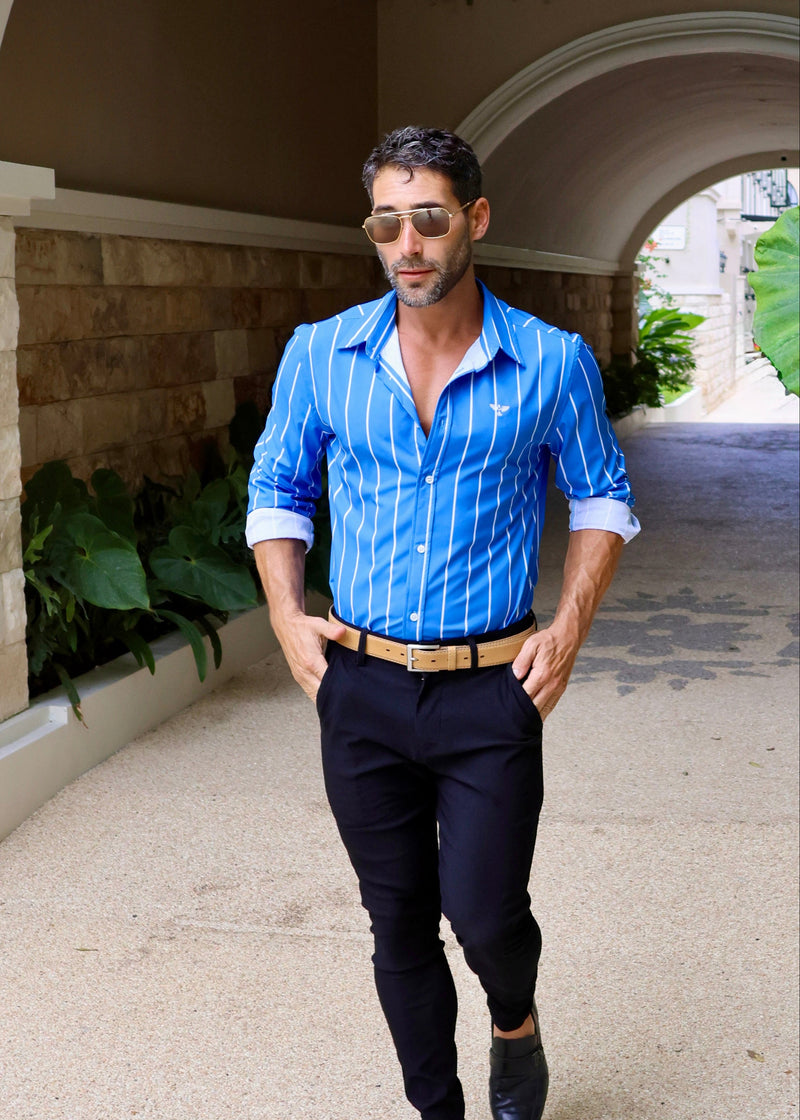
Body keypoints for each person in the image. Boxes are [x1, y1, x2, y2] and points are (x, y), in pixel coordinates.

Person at [246, 126, 640, 1120]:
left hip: (487, 688)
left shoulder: (550, 362)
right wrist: (289, 619)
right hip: (361, 686)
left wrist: (568, 628)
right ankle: (439, 1109)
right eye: (387, 223)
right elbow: (277, 492)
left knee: (484, 912)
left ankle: (514, 1019)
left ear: (474, 219)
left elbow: (600, 496)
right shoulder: (318, 356)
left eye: (428, 219)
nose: (407, 244)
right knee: (398, 923)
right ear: (372, 232)